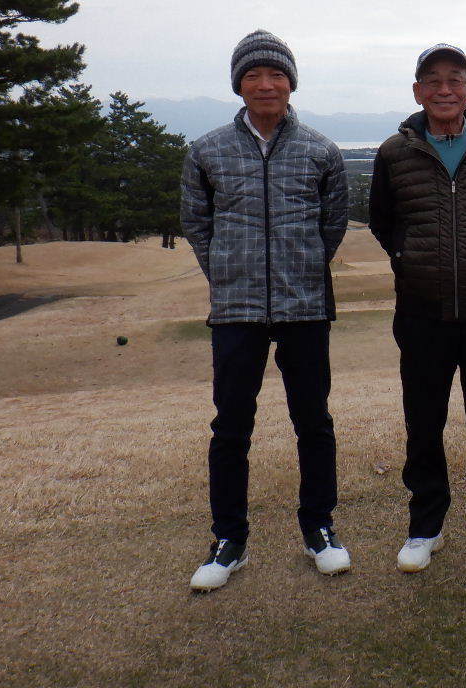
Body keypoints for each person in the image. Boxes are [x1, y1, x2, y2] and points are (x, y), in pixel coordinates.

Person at [180, 29, 351, 592]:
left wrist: (302, 268)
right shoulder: (206, 151)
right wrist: (229, 271)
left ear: (290, 82)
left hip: (305, 307)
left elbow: (331, 225)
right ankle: (229, 539)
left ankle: (319, 528)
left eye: (276, 74)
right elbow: (197, 224)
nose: (265, 84)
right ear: (239, 85)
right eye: (253, 75)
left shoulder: (321, 150)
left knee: (314, 422)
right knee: (231, 427)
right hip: (236, 310)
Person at [368, 44, 466, 572]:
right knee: (423, 422)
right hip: (421, 311)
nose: (444, 89)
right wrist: (410, 259)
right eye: (432, 81)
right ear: (418, 92)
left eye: (455, 79)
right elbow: (384, 222)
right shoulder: (395, 152)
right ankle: (425, 524)